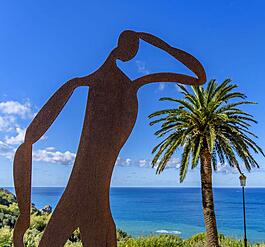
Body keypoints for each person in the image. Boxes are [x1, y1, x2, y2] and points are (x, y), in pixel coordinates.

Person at [12, 30, 206, 247]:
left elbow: (199, 77)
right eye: (134, 46)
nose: (135, 52)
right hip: (89, 201)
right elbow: (29, 140)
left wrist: (24, 217)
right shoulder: (93, 84)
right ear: (124, 47)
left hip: (92, 202)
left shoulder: (129, 86)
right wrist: (23, 215)